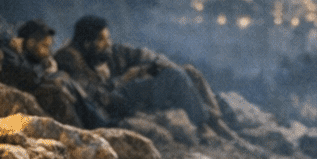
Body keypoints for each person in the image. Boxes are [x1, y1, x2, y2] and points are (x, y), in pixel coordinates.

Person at [56, 15, 224, 132]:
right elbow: (95, 97)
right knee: (174, 77)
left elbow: (146, 56)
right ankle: (202, 124)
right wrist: (127, 78)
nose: (108, 43)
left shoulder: (112, 52)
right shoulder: (70, 59)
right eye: (102, 40)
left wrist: (155, 65)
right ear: (87, 43)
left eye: (108, 38)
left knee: (187, 71)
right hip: (113, 105)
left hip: (124, 94)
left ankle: (213, 119)